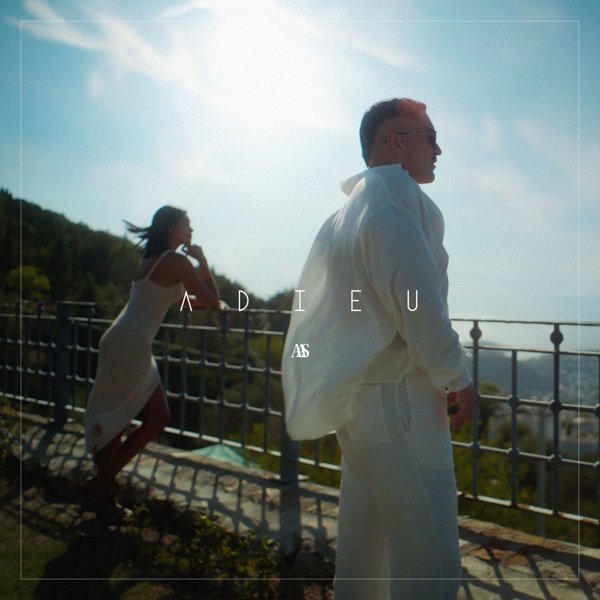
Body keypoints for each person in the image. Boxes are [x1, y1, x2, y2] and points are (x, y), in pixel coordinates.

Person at [282, 98, 476, 599]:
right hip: (402, 405)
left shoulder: (348, 211)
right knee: (429, 565)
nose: (439, 150)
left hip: (362, 402)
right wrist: (458, 376)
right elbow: (419, 305)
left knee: (363, 558)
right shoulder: (394, 199)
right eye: (431, 138)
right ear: (396, 142)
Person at [83, 205, 221, 521]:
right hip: (131, 344)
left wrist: (206, 297)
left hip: (124, 339)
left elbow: (185, 302)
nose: (191, 229)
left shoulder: (154, 260)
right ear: (172, 229)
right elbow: (212, 299)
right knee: (117, 418)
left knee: (158, 417)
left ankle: (100, 484)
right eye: (187, 223)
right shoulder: (177, 261)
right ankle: (103, 496)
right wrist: (202, 261)